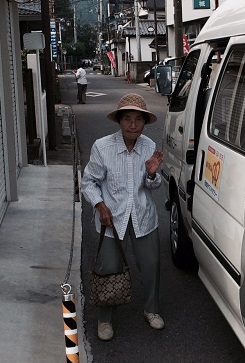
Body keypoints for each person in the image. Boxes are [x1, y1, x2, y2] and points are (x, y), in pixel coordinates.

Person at [81, 93, 165, 341]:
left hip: (143, 216)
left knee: (151, 266)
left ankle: (151, 310)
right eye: (127, 118)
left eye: (138, 119)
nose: (132, 124)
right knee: (109, 268)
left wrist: (151, 175)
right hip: (111, 219)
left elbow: (153, 187)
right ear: (119, 121)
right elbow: (89, 183)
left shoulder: (149, 146)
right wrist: (99, 205)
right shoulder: (102, 147)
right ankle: (105, 319)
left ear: (144, 122)